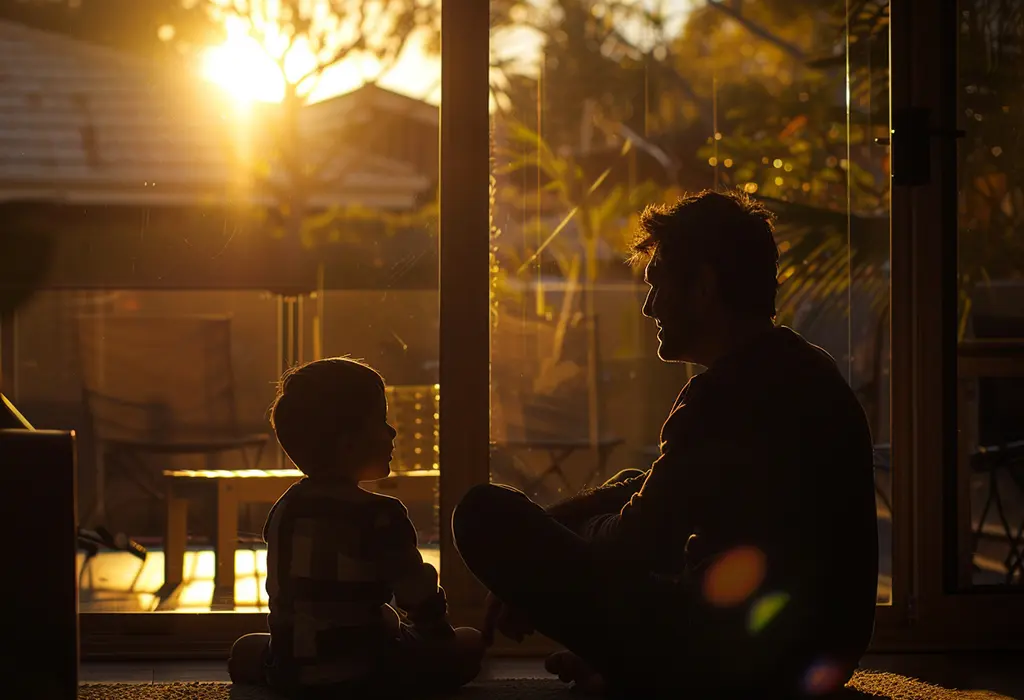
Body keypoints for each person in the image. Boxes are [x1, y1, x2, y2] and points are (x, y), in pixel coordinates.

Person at [453, 190, 879, 697]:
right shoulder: (807, 367)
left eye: (656, 286)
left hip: (741, 658)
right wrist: (560, 523)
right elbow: (663, 491)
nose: (648, 306)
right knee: (629, 486)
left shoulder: (722, 395)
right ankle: (626, 664)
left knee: (482, 512)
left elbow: (635, 543)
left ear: (702, 287)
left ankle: (641, 669)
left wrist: (539, 558)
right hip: (819, 648)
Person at [228, 357, 483, 698]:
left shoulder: (284, 509)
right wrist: (440, 640)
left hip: (291, 670)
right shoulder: (381, 515)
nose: (392, 432)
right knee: (471, 643)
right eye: (381, 422)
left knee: (245, 649)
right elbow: (417, 595)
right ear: (348, 443)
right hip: (369, 670)